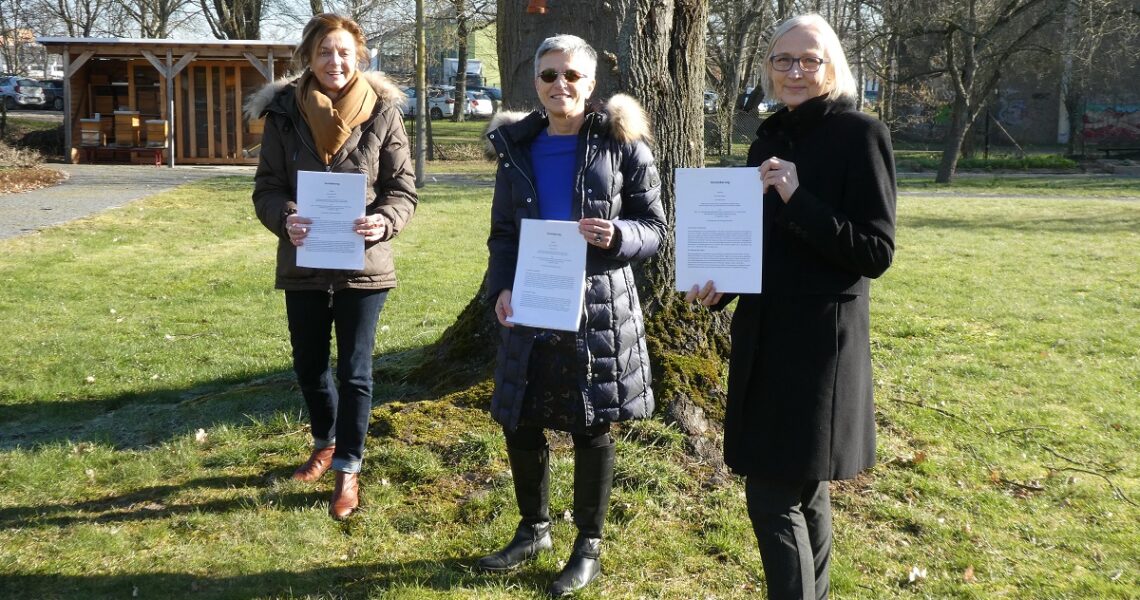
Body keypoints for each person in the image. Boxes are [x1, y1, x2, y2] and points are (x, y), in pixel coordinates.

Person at [685, 14, 896, 600]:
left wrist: (798, 196)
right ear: (769, 69)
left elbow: (875, 252)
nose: (796, 71)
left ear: (833, 68)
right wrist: (720, 284)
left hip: (820, 343)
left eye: (810, 60)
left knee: (773, 494)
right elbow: (760, 237)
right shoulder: (770, 136)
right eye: (784, 60)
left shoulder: (861, 135)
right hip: (764, 333)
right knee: (803, 492)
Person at [478, 34, 666, 597]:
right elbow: (504, 234)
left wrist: (618, 235)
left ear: (591, 84)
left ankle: (588, 544)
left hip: (599, 304)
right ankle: (533, 528)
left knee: (591, 423)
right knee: (522, 417)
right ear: (535, 83)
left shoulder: (622, 143)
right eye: (549, 75)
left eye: (572, 76)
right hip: (531, 300)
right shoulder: (516, 146)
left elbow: (655, 228)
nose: (560, 85)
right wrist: (501, 291)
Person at [246, 13, 417, 521]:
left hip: (364, 264)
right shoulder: (282, 112)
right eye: (325, 52)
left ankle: (348, 466)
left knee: (356, 371)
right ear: (308, 57)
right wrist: (284, 218)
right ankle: (325, 440)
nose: (335, 61)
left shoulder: (383, 110)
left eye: (344, 52)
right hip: (303, 258)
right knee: (310, 365)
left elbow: (402, 190)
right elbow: (267, 188)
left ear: (359, 56)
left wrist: (383, 223)